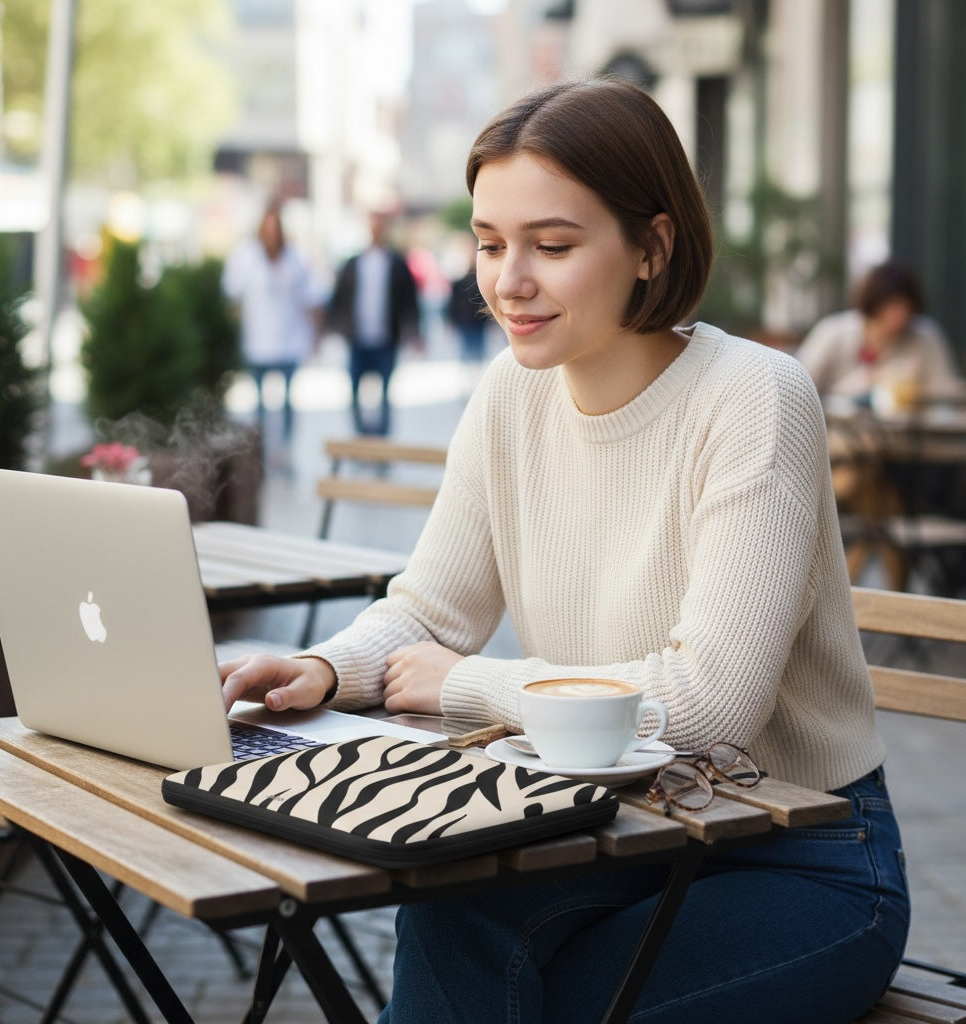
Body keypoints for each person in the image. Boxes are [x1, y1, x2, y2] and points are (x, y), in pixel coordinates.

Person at [220, 79, 909, 1023]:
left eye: (552, 245)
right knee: (445, 904)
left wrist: (471, 686)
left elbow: (710, 707)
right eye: (489, 243)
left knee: (562, 1001)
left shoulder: (756, 397)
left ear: (651, 247)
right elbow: (429, 611)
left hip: (800, 853)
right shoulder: (510, 396)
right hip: (615, 827)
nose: (508, 281)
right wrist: (320, 671)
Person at [797, 261, 964, 409]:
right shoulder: (833, 332)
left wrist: (912, 390)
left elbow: (947, 388)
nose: (899, 316)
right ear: (872, 304)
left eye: (905, 308)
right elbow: (799, 387)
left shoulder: (925, 335)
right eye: (891, 306)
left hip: (910, 437)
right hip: (838, 436)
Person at [222, 201, 318, 452]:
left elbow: (309, 297)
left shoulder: (294, 257)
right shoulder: (246, 255)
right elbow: (232, 292)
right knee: (260, 402)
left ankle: (284, 448)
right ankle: (262, 449)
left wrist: (316, 336)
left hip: (289, 340)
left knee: (286, 399)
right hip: (257, 340)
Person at [325, 211, 421, 436]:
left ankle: (382, 443)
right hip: (357, 339)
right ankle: (362, 438)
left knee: (386, 395)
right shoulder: (353, 263)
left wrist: (415, 332)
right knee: (354, 393)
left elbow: (410, 300)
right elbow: (339, 297)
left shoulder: (397, 263)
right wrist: (333, 328)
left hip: (387, 339)